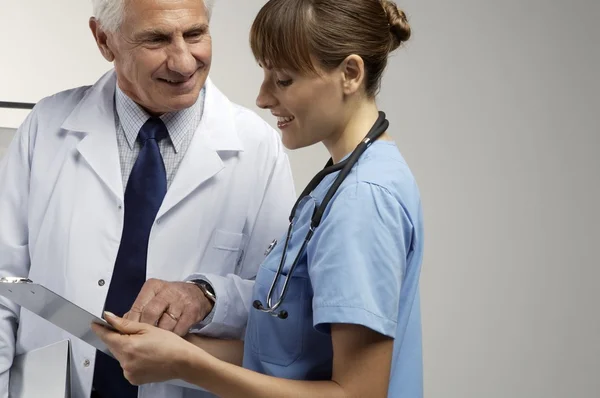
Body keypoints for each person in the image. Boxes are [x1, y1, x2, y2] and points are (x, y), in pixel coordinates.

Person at [93, 0, 424, 397]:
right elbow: (287, 356)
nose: (263, 97)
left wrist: (186, 362)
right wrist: (173, 350)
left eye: (283, 80)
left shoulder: (362, 200)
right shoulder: (341, 183)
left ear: (350, 73)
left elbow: (357, 394)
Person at [0, 0, 296, 397]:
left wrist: (208, 295)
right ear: (104, 40)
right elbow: (5, 282)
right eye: (156, 39)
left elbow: (276, 304)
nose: (184, 62)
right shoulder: (47, 126)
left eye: (195, 34)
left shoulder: (258, 148)